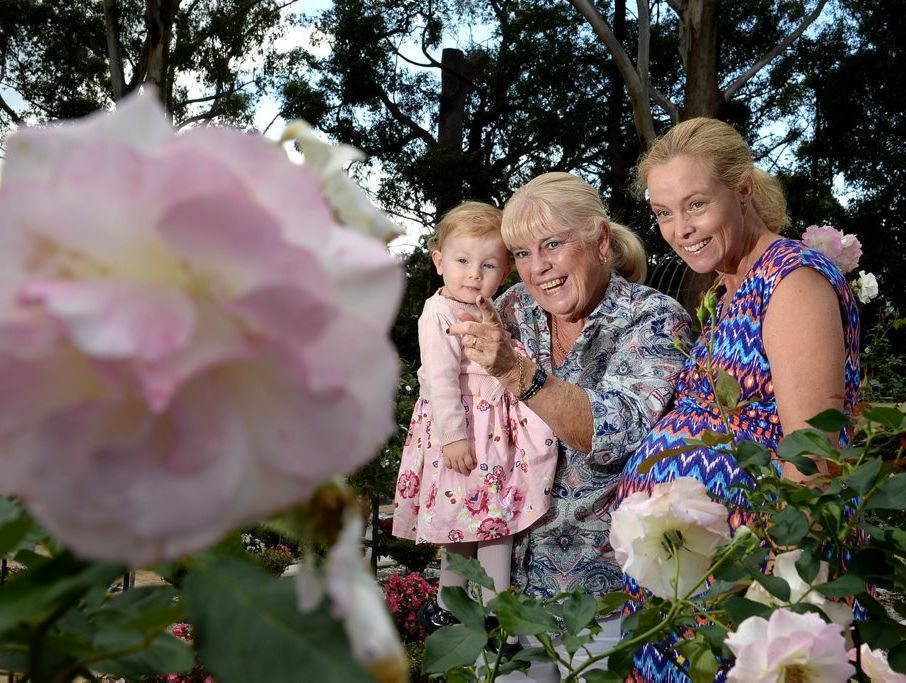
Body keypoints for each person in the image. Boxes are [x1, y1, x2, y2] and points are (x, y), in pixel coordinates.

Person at [615, 117, 861, 682]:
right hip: (700, 590)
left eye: (696, 204)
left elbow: (813, 456)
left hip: (755, 594)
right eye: (664, 213)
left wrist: (771, 597)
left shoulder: (791, 281)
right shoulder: (731, 287)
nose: (680, 229)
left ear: (743, 188)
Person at [447, 173, 692, 680]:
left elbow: (619, 432)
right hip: (503, 588)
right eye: (521, 253)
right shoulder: (512, 309)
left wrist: (518, 374)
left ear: (601, 240)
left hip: (601, 601)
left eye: (553, 244)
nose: (539, 269)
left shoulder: (652, 319)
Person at [391, 201, 559, 632]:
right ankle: (463, 601)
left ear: (503, 273)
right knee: (468, 525)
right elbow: (441, 379)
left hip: (493, 431)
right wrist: (452, 437)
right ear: (439, 261)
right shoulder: (439, 313)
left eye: (487, 265)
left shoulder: (491, 307)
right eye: (462, 261)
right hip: (465, 431)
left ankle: (490, 604)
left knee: (489, 519)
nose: (473, 274)